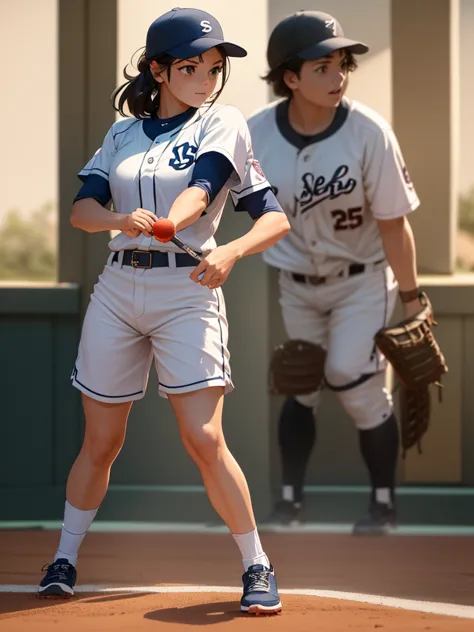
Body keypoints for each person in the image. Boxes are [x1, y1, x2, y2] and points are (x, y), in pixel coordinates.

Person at [37, 7, 289, 615]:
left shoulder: (222, 121)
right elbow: (81, 211)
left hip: (186, 289)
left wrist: (225, 247)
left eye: (213, 65)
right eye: (190, 66)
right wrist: (120, 220)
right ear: (158, 69)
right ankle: (64, 558)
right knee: (102, 440)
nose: (207, 76)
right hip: (119, 288)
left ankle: (257, 563)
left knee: (203, 436)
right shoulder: (121, 133)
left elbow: (213, 194)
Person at [248, 10, 421, 535]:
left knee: (352, 378)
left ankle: (383, 507)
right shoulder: (254, 134)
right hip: (296, 282)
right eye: (322, 66)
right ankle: (289, 505)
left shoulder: (368, 131)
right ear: (290, 77)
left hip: (362, 279)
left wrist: (412, 296)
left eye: (342, 63)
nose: (338, 75)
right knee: (301, 381)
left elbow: (393, 224)